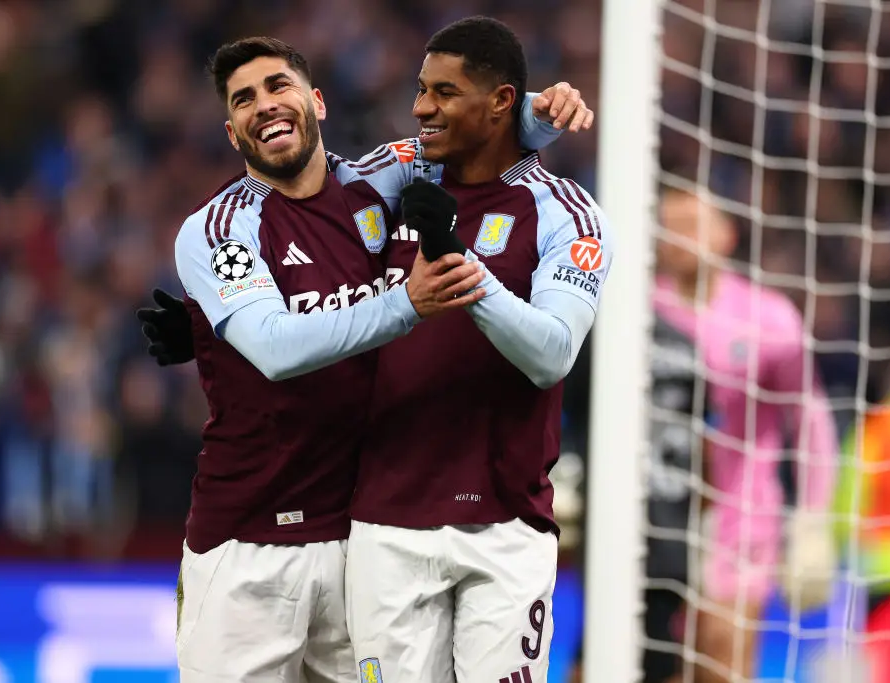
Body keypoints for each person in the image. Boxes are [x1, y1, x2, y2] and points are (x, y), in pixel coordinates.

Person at [143, 34, 589, 683]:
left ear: (317, 102)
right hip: (248, 543)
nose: (265, 105)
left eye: (278, 86)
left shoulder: (377, 181)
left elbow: (473, 133)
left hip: (359, 541)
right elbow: (273, 348)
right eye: (243, 100)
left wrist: (535, 112)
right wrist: (407, 303)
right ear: (232, 131)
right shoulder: (220, 227)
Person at [652, 186, 838, 683]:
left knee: (722, 654)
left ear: (726, 235)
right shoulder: (636, 314)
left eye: (691, 225)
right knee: (655, 662)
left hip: (742, 518)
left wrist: (813, 518)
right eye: (668, 226)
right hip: (658, 515)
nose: (678, 238)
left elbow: (810, 419)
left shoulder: (768, 318)